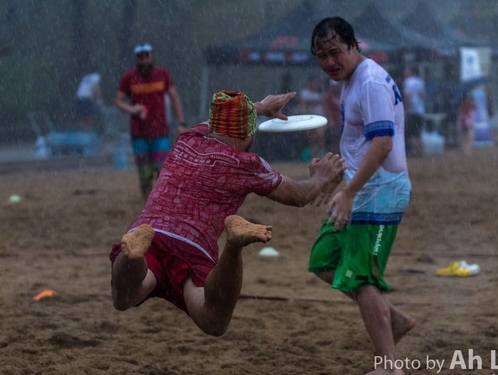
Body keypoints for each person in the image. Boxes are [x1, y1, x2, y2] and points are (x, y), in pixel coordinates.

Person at [110, 90, 345, 339]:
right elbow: (299, 195)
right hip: (192, 245)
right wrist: (321, 176)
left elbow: (219, 120)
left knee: (125, 297)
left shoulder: (189, 136)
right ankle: (233, 246)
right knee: (212, 319)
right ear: (248, 133)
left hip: (150, 228)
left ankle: (134, 257)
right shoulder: (247, 164)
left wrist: (262, 106)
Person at [309, 16, 415, 375]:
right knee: (324, 260)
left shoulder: (368, 81)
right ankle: (392, 318)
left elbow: (383, 144)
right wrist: (334, 171)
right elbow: (358, 144)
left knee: (360, 273)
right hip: (361, 190)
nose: (329, 62)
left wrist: (349, 192)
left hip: (380, 193)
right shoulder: (352, 81)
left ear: (354, 46)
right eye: (322, 55)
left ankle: (390, 366)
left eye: (335, 52)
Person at [115, 42, 187, 199]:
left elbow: (174, 97)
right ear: (136, 59)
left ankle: (161, 201)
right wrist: (131, 109)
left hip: (160, 132)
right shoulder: (129, 78)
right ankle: (147, 203)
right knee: (145, 172)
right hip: (139, 133)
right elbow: (118, 101)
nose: (144, 60)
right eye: (140, 57)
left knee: (162, 168)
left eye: (146, 56)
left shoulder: (163, 75)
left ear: (152, 56)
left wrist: (181, 122)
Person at [298, 75, 327, 159]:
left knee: (321, 137)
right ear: (310, 83)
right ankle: (313, 155)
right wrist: (304, 118)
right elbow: (302, 106)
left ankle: (321, 154)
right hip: (309, 119)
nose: (315, 84)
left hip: (320, 119)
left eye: (316, 83)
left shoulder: (321, 93)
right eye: (313, 82)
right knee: (312, 138)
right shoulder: (305, 93)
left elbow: (325, 106)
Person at [402, 65, 426, 157]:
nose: (404, 73)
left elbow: (408, 97)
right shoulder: (420, 81)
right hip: (420, 110)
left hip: (412, 110)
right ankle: (419, 151)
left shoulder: (407, 82)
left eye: (406, 71)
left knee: (411, 132)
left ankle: (414, 152)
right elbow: (423, 96)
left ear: (410, 72)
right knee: (418, 132)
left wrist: (406, 110)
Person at [323, 79, 342, 155]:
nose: (336, 88)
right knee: (333, 141)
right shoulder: (328, 97)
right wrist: (330, 120)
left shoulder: (343, 95)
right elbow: (327, 109)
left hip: (343, 123)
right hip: (333, 123)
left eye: (337, 86)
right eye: (334, 86)